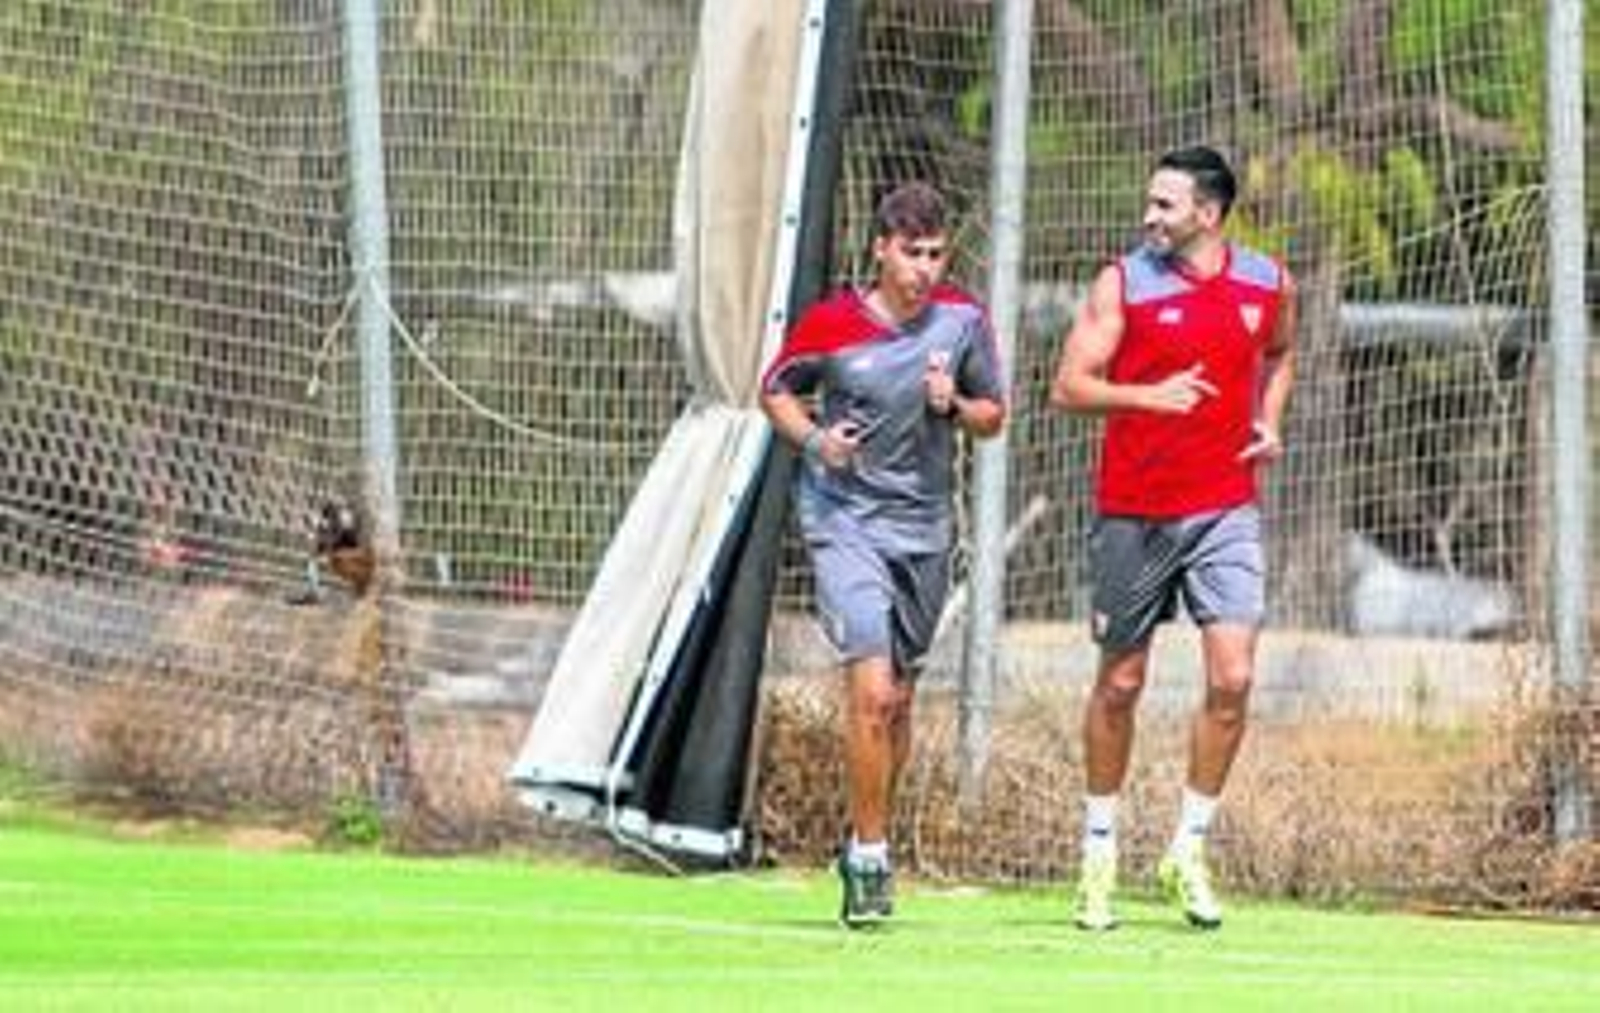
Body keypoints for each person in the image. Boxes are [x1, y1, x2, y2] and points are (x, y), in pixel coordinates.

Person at [1049, 145, 1297, 931]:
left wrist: (1269, 418)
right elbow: (1068, 386)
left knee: (1233, 677)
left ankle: (1187, 849)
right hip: (1134, 511)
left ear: (1209, 214)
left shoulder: (1268, 281)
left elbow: (1282, 352)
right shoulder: (1122, 282)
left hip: (1227, 507)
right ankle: (1098, 854)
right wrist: (1145, 395)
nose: (1148, 216)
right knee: (1120, 684)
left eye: (1165, 204)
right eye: (1149, 202)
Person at [760, 181, 1007, 928]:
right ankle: (870, 858)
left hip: (926, 529)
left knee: (897, 702)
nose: (924, 268)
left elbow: (993, 415)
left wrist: (953, 407)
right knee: (869, 693)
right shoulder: (834, 322)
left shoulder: (964, 320)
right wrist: (816, 440)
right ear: (881, 250)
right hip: (844, 522)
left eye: (936, 254)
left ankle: (867, 834)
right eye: (911, 253)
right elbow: (775, 392)